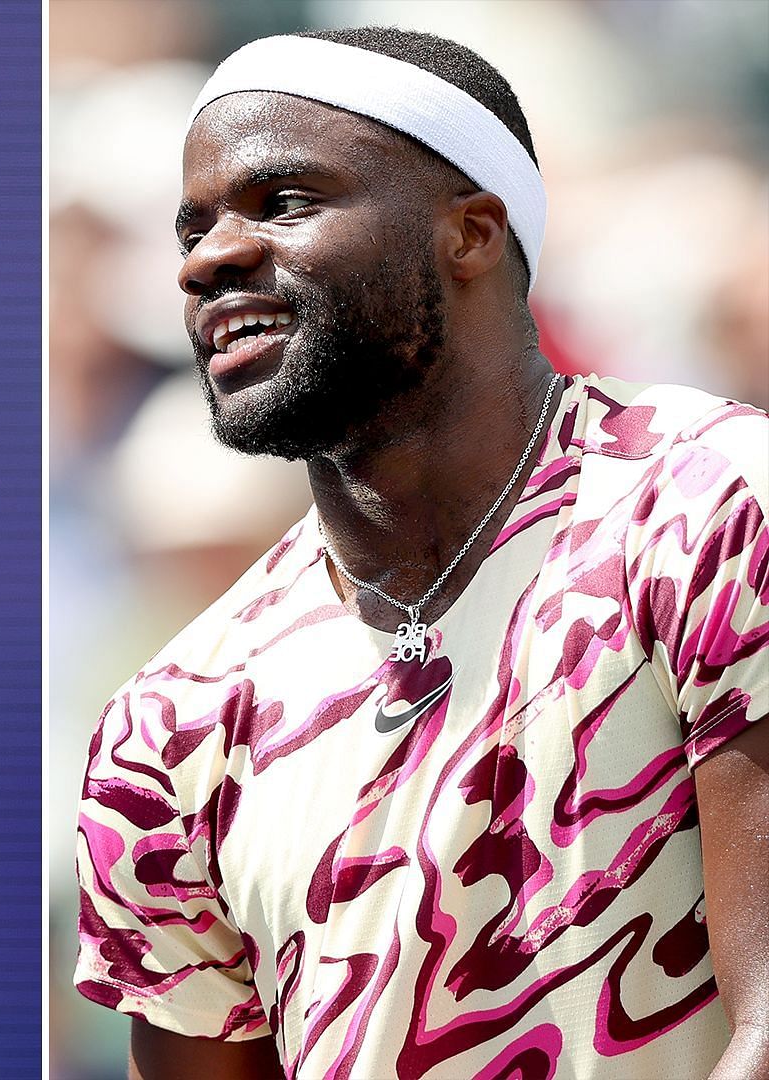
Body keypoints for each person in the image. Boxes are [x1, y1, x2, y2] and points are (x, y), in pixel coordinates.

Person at [74, 27, 767, 1080]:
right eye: (194, 227)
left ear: (474, 233)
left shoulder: (711, 503)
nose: (209, 258)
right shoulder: (170, 721)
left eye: (286, 202)